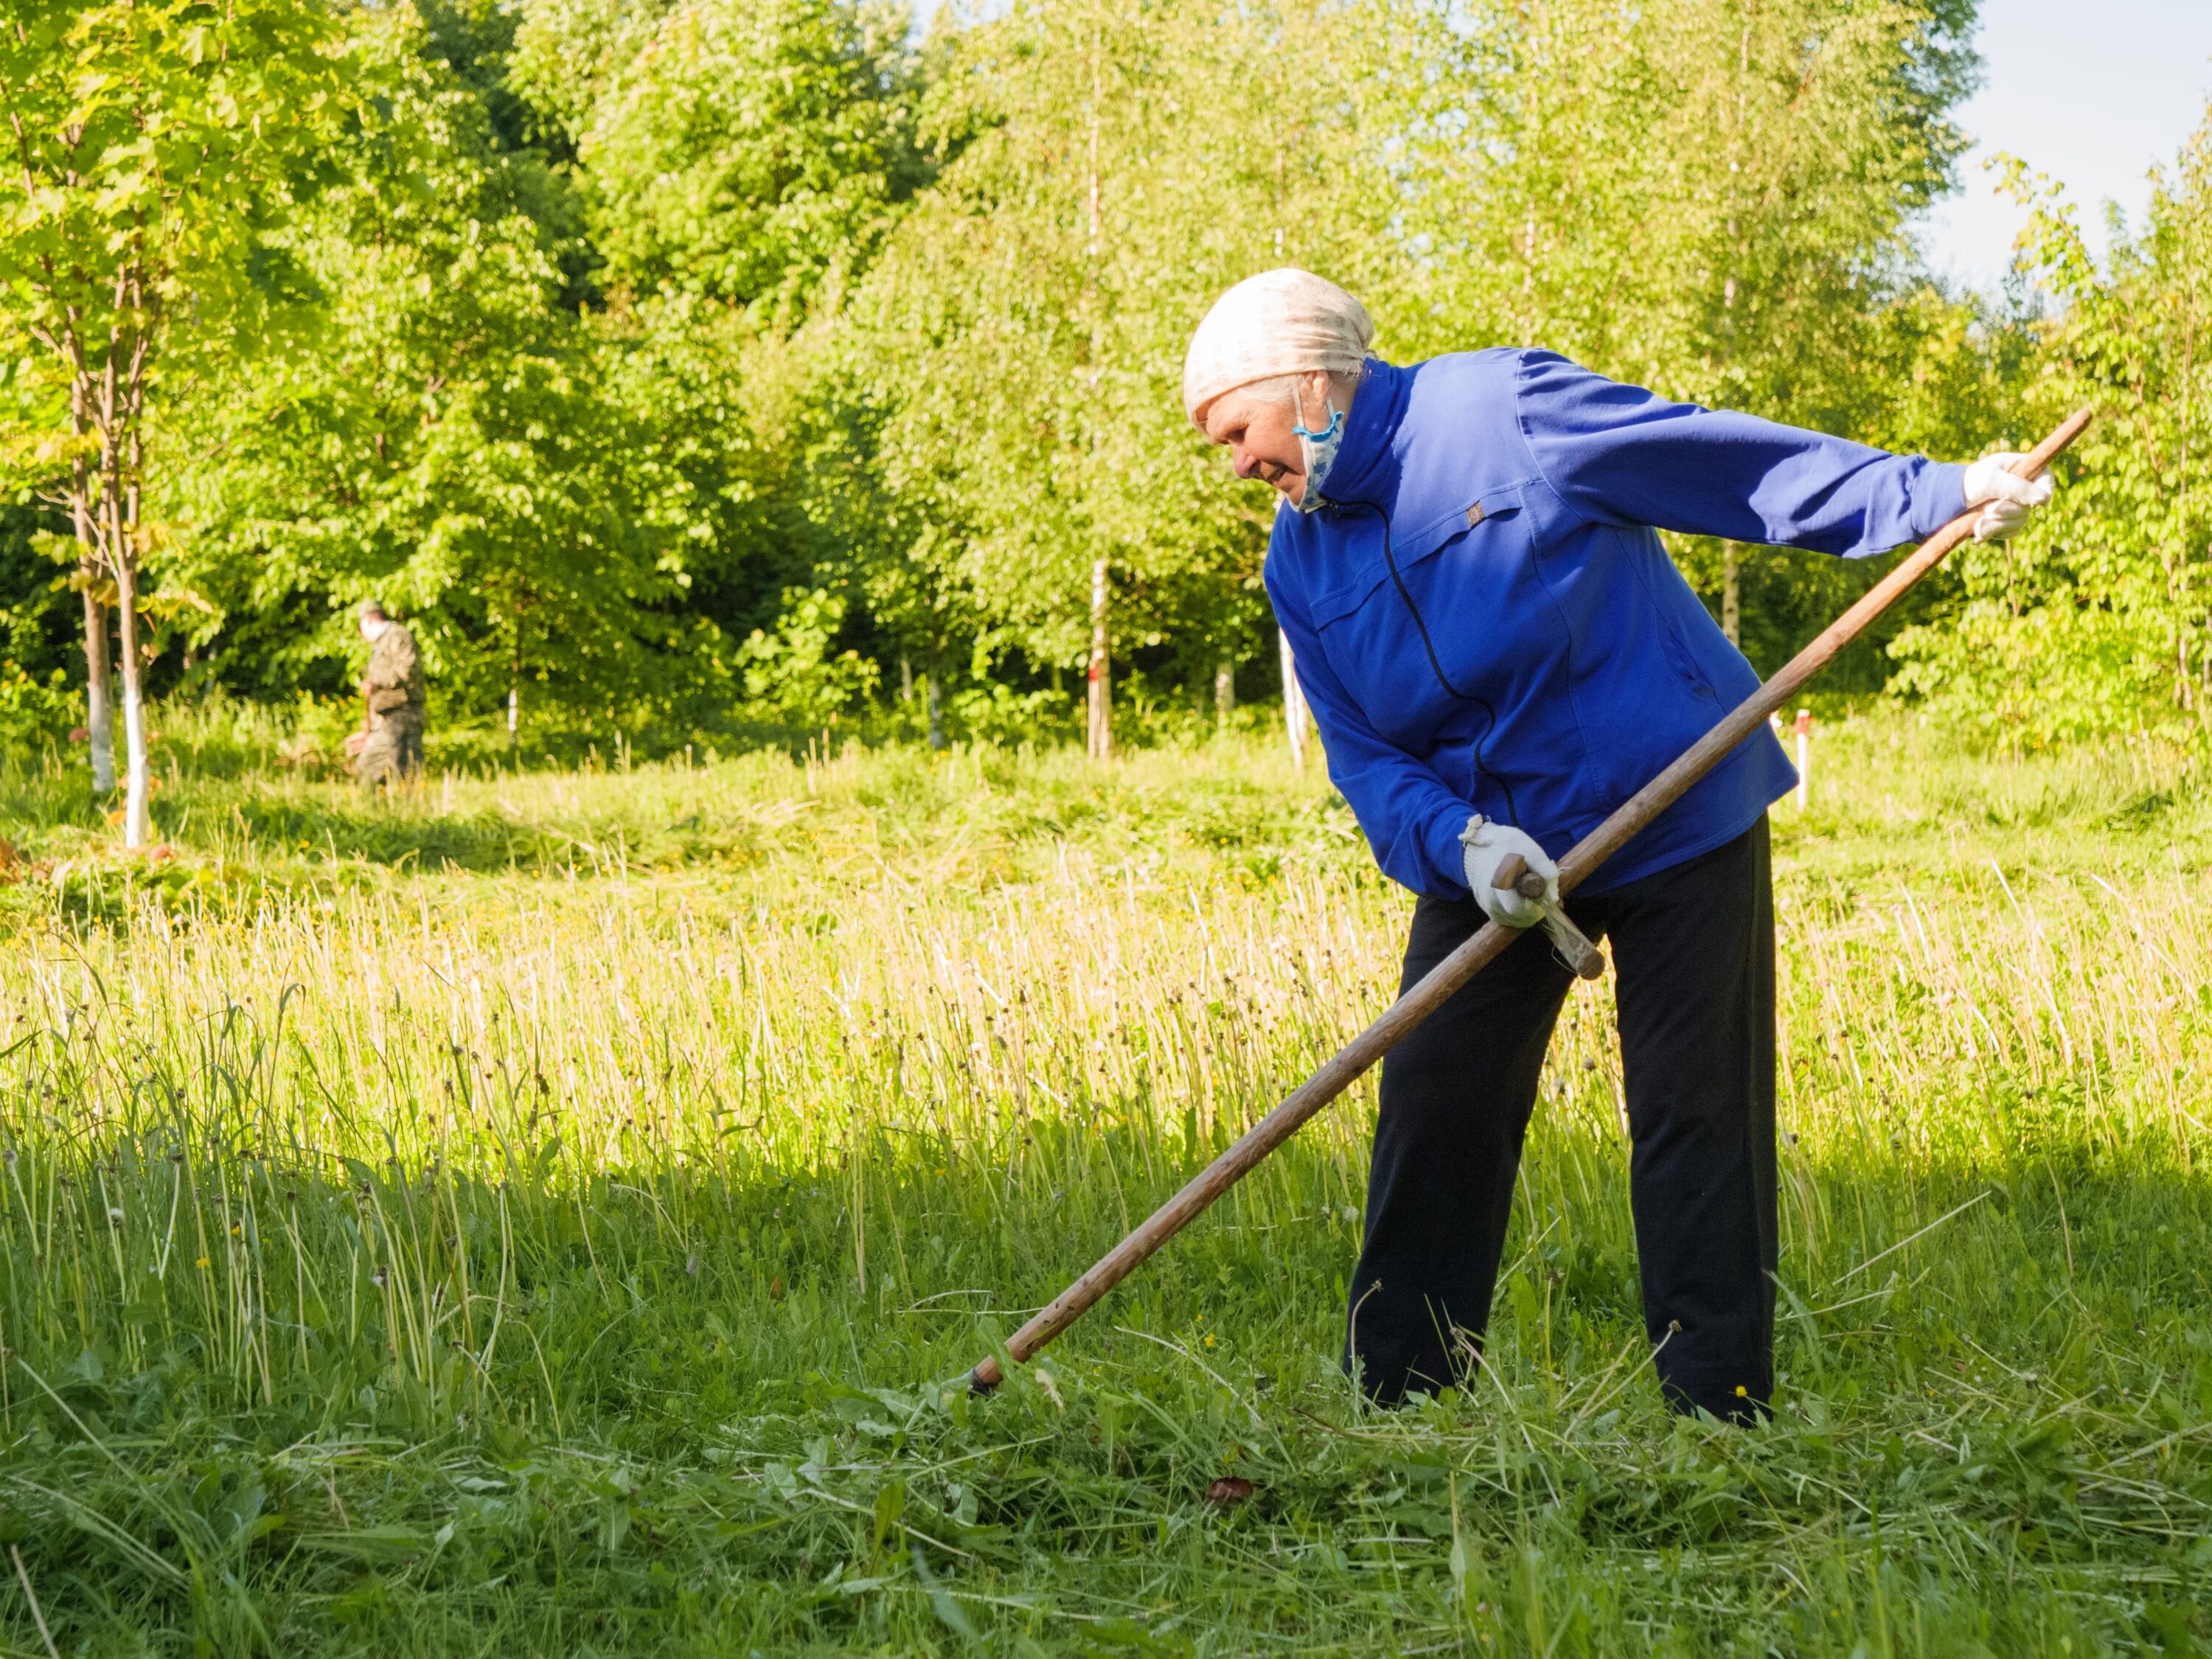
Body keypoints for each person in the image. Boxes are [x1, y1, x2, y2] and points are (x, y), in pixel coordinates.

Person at [1182, 268, 2055, 1421]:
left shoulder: (1502, 411)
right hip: (1502, 858)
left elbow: (1721, 464)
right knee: (1437, 1097)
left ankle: (1719, 1409)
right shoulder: (1300, 563)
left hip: (1675, 804)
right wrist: (1462, 846)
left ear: (1306, 379)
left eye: (1238, 430)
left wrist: (1934, 495)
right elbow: (1363, 756)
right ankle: (1396, 1403)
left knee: (1695, 1109)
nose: (1239, 465)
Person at [349, 599, 425, 787]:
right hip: (388, 720)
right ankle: (381, 814)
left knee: (403, 776)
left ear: (366, 621)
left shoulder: (398, 636)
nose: (361, 635)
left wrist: (377, 682)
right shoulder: (384, 642)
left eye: (360, 629)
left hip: (403, 716)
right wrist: (369, 730)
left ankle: (405, 814)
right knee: (374, 772)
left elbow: (407, 670)